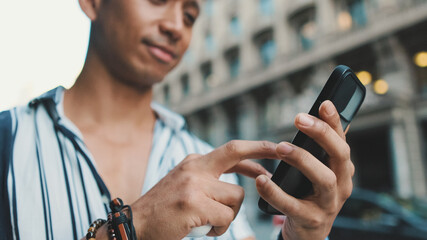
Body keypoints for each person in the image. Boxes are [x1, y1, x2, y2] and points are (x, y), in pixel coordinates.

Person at [0, 0, 354, 239]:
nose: (175, 27)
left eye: (189, 15)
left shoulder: (208, 161)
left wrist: (300, 235)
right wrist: (132, 228)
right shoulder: (8, 140)